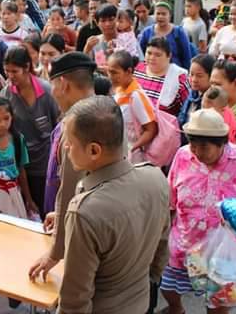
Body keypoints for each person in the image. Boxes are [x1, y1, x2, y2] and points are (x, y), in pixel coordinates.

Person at [53, 95, 169, 314]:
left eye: (70, 142)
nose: (66, 148)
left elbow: (75, 300)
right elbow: (161, 249)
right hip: (140, 301)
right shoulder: (155, 178)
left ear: (94, 150)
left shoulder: (85, 212)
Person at [162, 109, 236, 314]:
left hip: (224, 251)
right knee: (169, 287)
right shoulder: (183, 155)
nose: (196, 151)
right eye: (193, 144)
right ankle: (176, 309)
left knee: (218, 303)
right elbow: (171, 196)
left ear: (222, 142)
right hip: (185, 241)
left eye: (203, 146)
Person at [28, 52, 96, 283]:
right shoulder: (106, 111)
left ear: (63, 84)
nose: (52, 92)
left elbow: (70, 187)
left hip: (83, 227)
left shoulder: (77, 125)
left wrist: (56, 252)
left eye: (52, 84)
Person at [1, 47, 60, 218]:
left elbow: (58, 124)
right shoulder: (6, 94)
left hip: (46, 162)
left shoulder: (47, 92)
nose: (11, 76)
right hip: (21, 164)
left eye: (15, 71)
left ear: (27, 68)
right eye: (7, 71)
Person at [107, 51, 158, 163]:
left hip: (134, 158)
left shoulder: (136, 96)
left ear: (128, 71)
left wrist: (133, 148)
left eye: (114, 73)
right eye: (108, 71)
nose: (110, 76)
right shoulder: (119, 90)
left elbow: (151, 130)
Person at [133, 37, 190, 117]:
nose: (152, 58)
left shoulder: (179, 78)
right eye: (149, 53)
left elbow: (186, 109)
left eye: (158, 55)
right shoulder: (138, 69)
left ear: (169, 56)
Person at [139, 1, 193, 70]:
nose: (160, 16)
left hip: (175, 74)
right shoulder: (147, 32)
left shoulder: (179, 32)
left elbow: (187, 57)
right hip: (152, 73)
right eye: (158, 14)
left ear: (169, 16)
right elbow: (141, 55)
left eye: (164, 14)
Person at [177, 54, 216, 129]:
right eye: (191, 74)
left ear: (211, 76)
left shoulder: (213, 99)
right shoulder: (192, 94)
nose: (194, 79)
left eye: (199, 76)